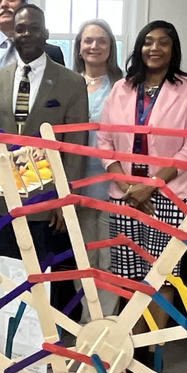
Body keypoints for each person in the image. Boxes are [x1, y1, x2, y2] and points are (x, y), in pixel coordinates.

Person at [97, 20, 187, 347]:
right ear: (139, 47)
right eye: (148, 41)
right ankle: (131, 345)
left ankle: (153, 349)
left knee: (163, 275)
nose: (154, 48)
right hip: (124, 194)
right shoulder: (122, 88)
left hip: (172, 195)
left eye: (163, 42)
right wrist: (130, 186)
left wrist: (152, 184)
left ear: (173, 50)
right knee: (128, 274)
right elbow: (105, 141)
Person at [0, 4, 88, 264]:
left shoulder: (72, 82)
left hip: (47, 202)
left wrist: (66, 199)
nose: (27, 34)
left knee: (43, 279)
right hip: (2, 198)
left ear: (46, 34)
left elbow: (75, 149)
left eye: (34, 28)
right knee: (5, 274)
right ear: (12, 34)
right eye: (20, 29)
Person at [72, 18, 123, 284]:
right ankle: (84, 310)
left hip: (112, 182)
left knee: (110, 256)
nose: (94, 46)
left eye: (102, 41)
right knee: (82, 257)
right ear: (79, 47)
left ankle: (107, 311)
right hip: (77, 181)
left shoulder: (122, 86)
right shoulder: (68, 84)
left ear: (111, 47)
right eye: (88, 40)